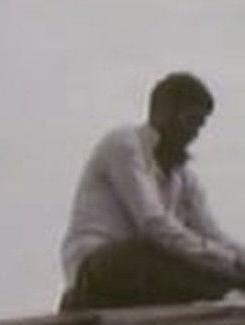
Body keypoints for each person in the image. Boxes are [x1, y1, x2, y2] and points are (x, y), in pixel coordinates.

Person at [59, 72, 245, 310]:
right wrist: (229, 262)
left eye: (200, 126)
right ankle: (226, 291)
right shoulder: (124, 145)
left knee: (186, 256)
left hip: (146, 275)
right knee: (149, 251)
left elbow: (211, 234)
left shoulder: (183, 178)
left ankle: (228, 290)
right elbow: (153, 223)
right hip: (98, 265)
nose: (193, 134)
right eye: (190, 121)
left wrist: (238, 259)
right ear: (162, 113)